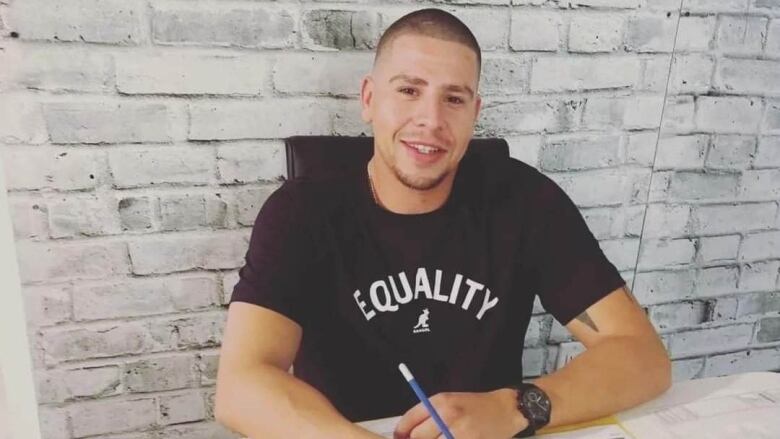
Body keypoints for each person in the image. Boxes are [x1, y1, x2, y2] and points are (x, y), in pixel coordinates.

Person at [215, 8, 671, 439]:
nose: (430, 120)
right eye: (409, 90)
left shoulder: (526, 201)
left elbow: (643, 356)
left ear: (474, 113)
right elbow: (241, 386)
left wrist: (516, 408)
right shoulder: (303, 212)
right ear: (369, 99)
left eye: (453, 98)